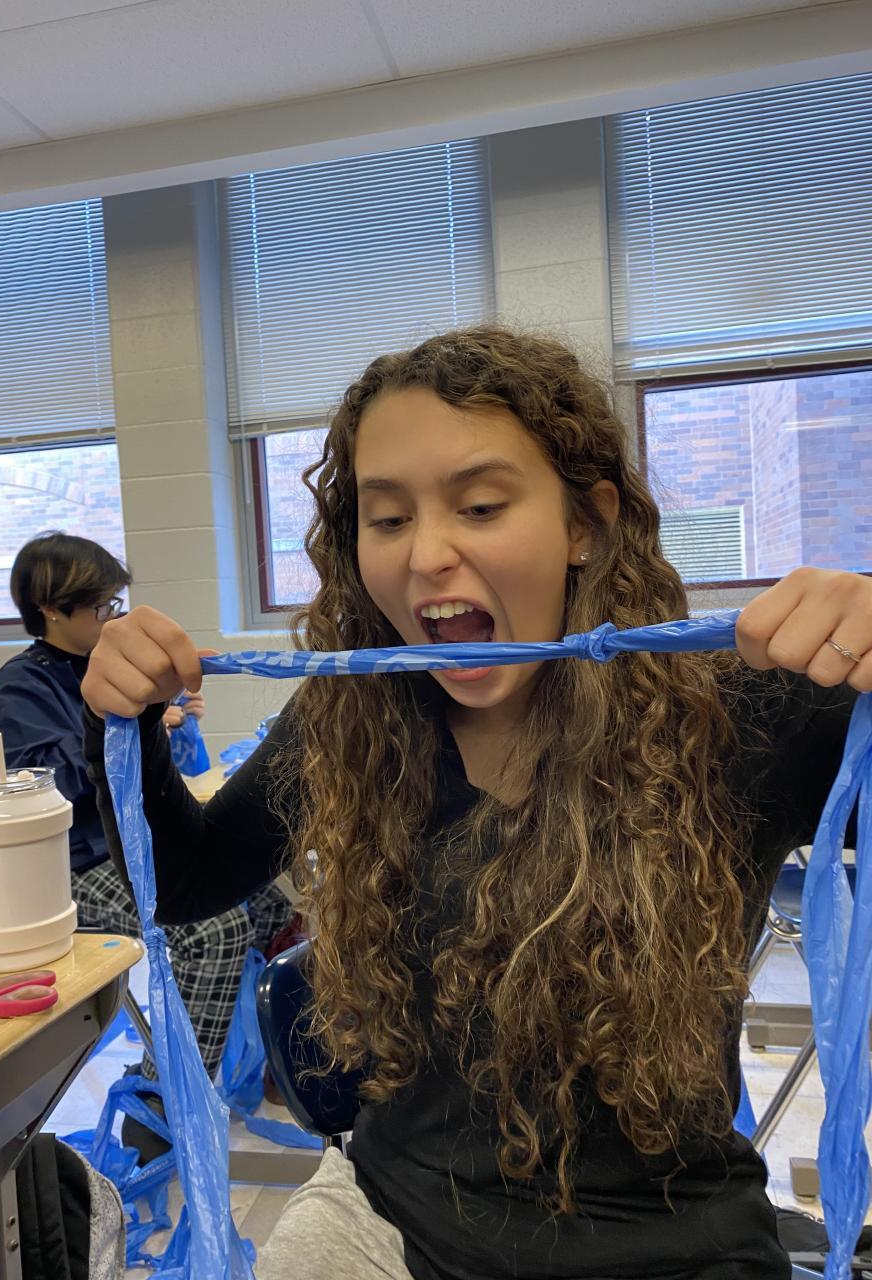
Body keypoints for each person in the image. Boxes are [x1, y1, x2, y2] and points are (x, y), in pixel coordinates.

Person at [80, 327, 869, 1280]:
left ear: (587, 523)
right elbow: (187, 880)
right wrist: (124, 723)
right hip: (388, 1218)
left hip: (671, 1246)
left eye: (482, 506)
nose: (427, 555)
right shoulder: (354, 715)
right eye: (387, 518)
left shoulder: (733, 709)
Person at [0, 532, 294, 1162]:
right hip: (77, 867)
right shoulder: (22, 683)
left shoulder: (106, 667)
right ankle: (159, 1107)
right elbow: (46, 784)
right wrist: (119, 724)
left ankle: (257, 1060)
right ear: (50, 609)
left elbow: (165, 786)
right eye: (100, 607)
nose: (112, 619)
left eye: (115, 604)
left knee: (268, 901)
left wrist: (163, 723)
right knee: (212, 931)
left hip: (129, 851)